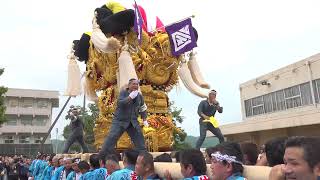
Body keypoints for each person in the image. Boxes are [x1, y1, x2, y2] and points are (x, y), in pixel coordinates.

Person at [99, 78, 149, 157]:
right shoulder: (123, 93)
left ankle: (144, 157)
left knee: (140, 140)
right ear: (129, 85)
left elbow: (143, 108)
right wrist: (130, 97)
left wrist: (145, 119)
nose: (135, 86)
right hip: (120, 121)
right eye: (133, 84)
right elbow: (120, 103)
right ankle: (102, 157)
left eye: (137, 84)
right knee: (112, 137)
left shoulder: (139, 96)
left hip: (133, 122)